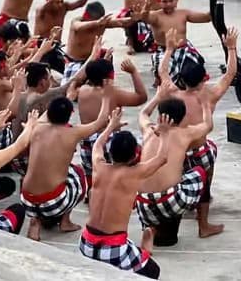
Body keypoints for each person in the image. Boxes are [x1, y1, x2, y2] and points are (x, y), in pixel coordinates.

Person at [80, 108, 170, 278]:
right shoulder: (134, 173)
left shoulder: (99, 167)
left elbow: (97, 145)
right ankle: (143, 252)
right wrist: (164, 134)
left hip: (86, 243)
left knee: (122, 249)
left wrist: (110, 127)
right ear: (134, 156)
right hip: (113, 249)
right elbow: (162, 158)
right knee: (153, 271)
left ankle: (140, 251)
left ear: (111, 152)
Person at [170, 26, 238, 237]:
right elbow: (230, 74)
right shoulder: (209, 95)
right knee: (205, 182)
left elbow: (163, 73)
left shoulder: (173, 94)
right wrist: (232, 49)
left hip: (178, 148)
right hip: (199, 150)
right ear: (204, 79)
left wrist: (168, 51)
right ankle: (203, 225)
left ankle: (190, 203)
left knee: (178, 176)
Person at [21, 89, 111, 240]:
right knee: (78, 173)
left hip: (26, 200)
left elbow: (46, 116)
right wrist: (108, 97)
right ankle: (65, 221)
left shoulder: (37, 127)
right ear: (70, 115)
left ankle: (35, 220)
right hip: (53, 203)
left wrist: (67, 97)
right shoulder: (73, 133)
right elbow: (100, 121)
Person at [135, 86, 213, 247]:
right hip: (170, 201)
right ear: (183, 117)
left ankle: (151, 229)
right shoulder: (185, 133)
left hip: (142, 204)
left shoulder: (148, 130)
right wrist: (205, 103)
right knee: (199, 171)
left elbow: (143, 113)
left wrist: (157, 97)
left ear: (159, 117)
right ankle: (203, 225)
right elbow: (208, 125)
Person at [76, 55, 148, 190]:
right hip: (109, 143)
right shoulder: (113, 93)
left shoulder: (83, 90)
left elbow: (84, 77)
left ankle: (91, 188)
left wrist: (99, 62)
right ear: (109, 78)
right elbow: (141, 97)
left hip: (87, 142)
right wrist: (133, 72)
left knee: (91, 168)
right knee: (140, 144)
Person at [136, 0, 211, 88]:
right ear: (159, 1)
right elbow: (145, 18)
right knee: (167, 77)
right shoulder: (156, 15)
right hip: (163, 51)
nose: (168, 4)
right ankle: (161, 79)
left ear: (176, 0)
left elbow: (206, 18)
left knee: (194, 72)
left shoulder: (183, 13)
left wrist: (215, 2)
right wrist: (146, 7)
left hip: (183, 50)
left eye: (171, 1)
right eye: (165, 1)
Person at [62, 1, 136, 82]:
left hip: (92, 60)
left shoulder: (103, 23)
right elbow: (78, 27)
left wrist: (135, 18)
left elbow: (122, 22)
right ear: (86, 16)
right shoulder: (77, 21)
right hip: (74, 61)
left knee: (107, 54)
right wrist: (97, 23)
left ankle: (108, 83)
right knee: (74, 85)